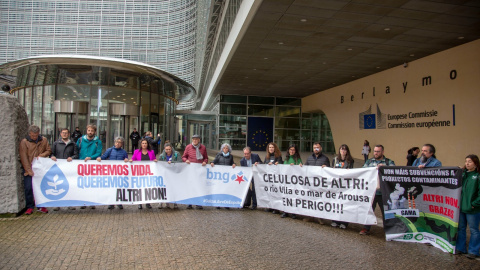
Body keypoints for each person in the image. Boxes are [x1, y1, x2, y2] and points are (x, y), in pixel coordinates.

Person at [359, 144, 395, 235]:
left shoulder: (388, 162)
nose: (376, 153)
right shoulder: (369, 161)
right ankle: (366, 228)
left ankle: (389, 229)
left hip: (384, 192)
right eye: (375, 151)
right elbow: (363, 171)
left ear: (382, 152)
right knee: (369, 210)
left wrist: (385, 168)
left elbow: (394, 172)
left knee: (386, 212)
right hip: (372, 192)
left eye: (378, 151)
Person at [20, 125, 52, 215]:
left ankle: (41, 205)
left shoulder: (44, 140)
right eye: (33, 135)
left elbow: (48, 151)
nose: (34, 137)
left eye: (36, 135)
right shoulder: (24, 142)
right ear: (29, 134)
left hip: (40, 168)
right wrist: (28, 170)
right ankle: (30, 206)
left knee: (41, 188)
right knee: (29, 188)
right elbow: (23, 157)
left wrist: (41, 155)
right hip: (29, 168)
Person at [456, 154, 480, 259]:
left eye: (470, 161)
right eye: (466, 161)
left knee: (474, 230)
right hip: (461, 208)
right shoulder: (464, 175)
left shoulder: (478, 176)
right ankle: (461, 248)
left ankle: (473, 251)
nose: (467, 163)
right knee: (461, 228)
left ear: (475, 163)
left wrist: (474, 204)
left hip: (472, 209)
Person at [50, 128, 78, 211]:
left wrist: (72, 157)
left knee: (69, 186)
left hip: (69, 169)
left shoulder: (73, 144)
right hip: (58, 168)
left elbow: (76, 155)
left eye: (66, 133)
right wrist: (52, 156)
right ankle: (57, 204)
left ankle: (70, 204)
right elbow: (51, 153)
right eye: (63, 133)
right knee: (58, 186)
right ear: (60, 134)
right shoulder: (56, 143)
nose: (64, 134)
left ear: (69, 134)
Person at [98, 137, 129, 210]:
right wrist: (99, 158)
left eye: (119, 142)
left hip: (120, 173)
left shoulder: (124, 152)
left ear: (122, 144)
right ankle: (111, 203)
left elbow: (126, 159)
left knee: (119, 188)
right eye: (116, 142)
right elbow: (104, 157)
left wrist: (126, 160)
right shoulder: (110, 150)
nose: (117, 143)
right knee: (111, 188)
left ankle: (119, 202)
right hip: (111, 172)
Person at [77, 124, 102, 209]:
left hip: (92, 165)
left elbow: (99, 152)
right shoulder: (80, 140)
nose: (90, 132)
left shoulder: (98, 142)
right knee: (82, 184)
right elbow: (76, 150)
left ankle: (92, 201)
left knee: (92, 184)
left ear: (94, 132)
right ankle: (83, 202)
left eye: (92, 131)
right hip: (82, 164)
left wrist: (91, 157)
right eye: (89, 130)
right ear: (86, 131)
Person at [331, 144, 354, 229]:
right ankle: (335, 220)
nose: (343, 151)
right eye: (341, 149)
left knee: (345, 204)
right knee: (336, 203)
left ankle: (344, 222)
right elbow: (331, 169)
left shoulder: (350, 160)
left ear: (347, 151)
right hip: (336, 185)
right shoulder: (335, 159)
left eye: (344, 150)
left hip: (345, 186)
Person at [182, 134, 208, 209]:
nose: (195, 140)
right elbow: (184, 156)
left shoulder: (203, 147)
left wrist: (205, 162)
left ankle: (198, 203)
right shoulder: (188, 147)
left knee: (199, 186)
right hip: (191, 170)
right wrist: (186, 160)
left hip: (199, 171)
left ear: (199, 140)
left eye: (196, 139)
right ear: (192, 140)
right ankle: (189, 203)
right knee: (191, 186)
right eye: (193, 139)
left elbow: (206, 158)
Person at [130, 138, 157, 209]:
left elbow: (154, 159)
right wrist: (130, 161)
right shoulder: (136, 152)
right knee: (140, 188)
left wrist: (155, 161)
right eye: (143, 143)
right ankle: (140, 203)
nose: (144, 145)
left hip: (148, 173)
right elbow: (133, 159)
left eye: (145, 143)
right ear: (141, 144)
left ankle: (148, 203)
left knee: (148, 188)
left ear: (147, 144)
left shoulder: (151, 152)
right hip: (140, 173)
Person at [211, 143, 236, 209]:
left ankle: (226, 203)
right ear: (222, 149)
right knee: (219, 189)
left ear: (229, 149)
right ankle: (218, 203)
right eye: (224, 148)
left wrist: (234, 164)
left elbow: (232, 163)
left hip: (227, 176)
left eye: (226, 148)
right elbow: (214, 161)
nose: (225, 149)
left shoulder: (231, 156)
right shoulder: (218, 155)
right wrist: (212, 163)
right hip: (220, 176)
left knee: (226, 189)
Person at [158, 142, 181, 209]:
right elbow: (160, 164)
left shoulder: (177, 154)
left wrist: (172, 162)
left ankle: (175, 202)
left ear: (171, 148)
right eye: (166, 149)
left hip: (174, 174)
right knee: (164, 188)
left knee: (174, 188)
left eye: (169, 149)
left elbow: (180, 162)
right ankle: (162, 202)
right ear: (164, 149)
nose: (168, 151)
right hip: (165, 174)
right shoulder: (161, 156)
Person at [282, 144, 302, 219]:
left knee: (293, 197)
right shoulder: (286, 158)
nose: (292, 151)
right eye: (290, 150)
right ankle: (285, 211)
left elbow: (301, 167)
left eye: (293, 150)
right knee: (286, 196)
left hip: (294, 181)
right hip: (287, 181)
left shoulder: (298, 159)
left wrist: (299, 166)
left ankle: (293, 212)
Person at [264, 142, 283, 214]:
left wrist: (278, 163)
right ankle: (269, 206)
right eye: (270, 147)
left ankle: (276, 208)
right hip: (269, 178)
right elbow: (264, 164)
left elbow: (281, 163)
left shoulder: (278, 156)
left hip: (276, 178)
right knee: (269, 192)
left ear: (275, 148)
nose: (271, 149)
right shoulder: (267, 157)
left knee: (275, 193)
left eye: (272, 147)